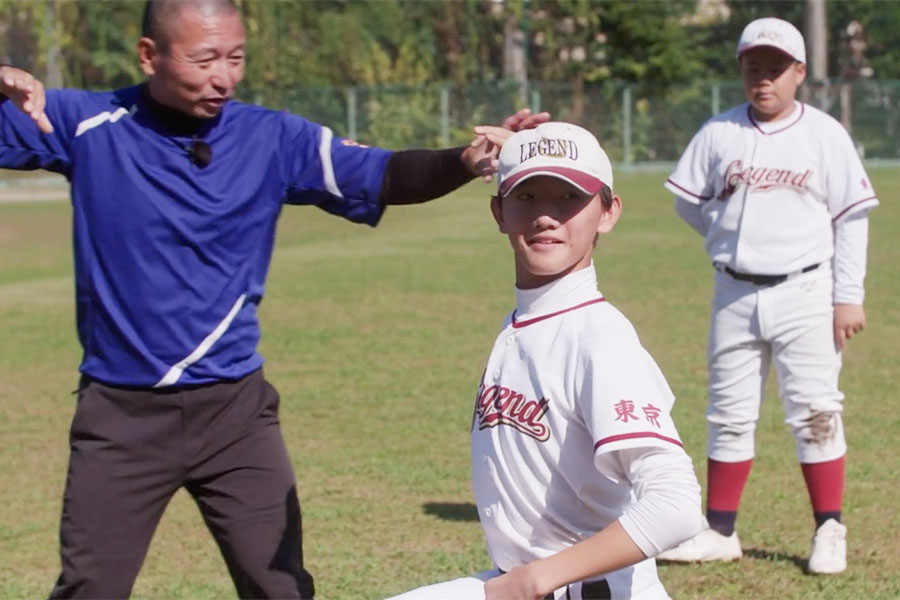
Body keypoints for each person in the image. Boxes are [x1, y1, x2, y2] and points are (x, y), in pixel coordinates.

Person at [0, 1, 549, 597]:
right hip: (120, 418)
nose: (224, 76)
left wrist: (466, 162)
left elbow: (382, 174)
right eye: (204, 58)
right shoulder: (86, 123)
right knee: (89, 589)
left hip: (235, 416)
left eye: (235, 58)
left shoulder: (272, 138)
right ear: (148, 55)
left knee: (281, 588)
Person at [387, 122, 703, 600]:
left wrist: (534, 579)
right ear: (498, 212)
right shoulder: (525, 322)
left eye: (569, 199)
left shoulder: (598, 338)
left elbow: (675, 505)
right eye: (527, 197)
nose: (546, 217)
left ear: (608, 212)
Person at [657, 18, 878, 575]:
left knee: (815, 411)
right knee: (728, 413)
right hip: (733, 290)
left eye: (776, 69)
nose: (764, 80)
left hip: (807, 288)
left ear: (799, 73)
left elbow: (851, 220)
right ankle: (720, 530)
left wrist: (847, 297)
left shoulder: (824, 134)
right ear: (741, 70)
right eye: (753, 67)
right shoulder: (719, 133)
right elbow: (688, 200)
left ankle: (829, 527)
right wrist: (722, 233)